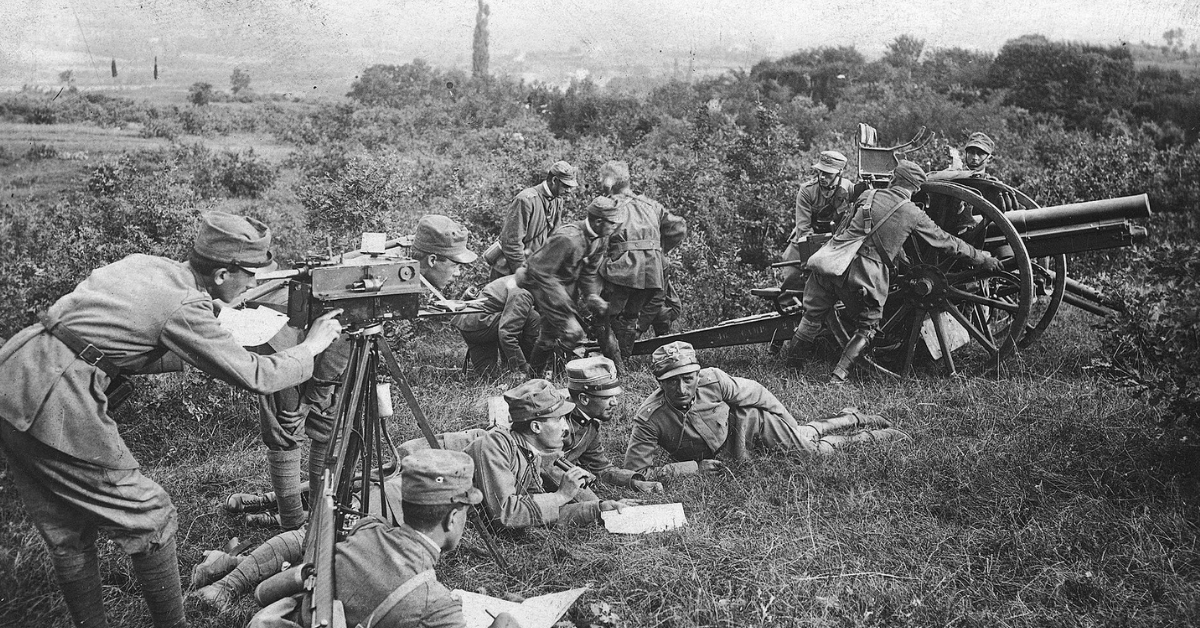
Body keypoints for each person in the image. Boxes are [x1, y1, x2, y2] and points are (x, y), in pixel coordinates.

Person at [0, 212, 344, 628]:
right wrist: (311, 346)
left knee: (66, 531)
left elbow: (119, 332)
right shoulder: (185, 304)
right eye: (250, 275)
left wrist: (207, 332)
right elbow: (258, 377)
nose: (253, 285)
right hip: (54, 394)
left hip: (18, 370)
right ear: (221, 274)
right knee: (153, 514)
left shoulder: (150, 264)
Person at [227, 215, 479, 529]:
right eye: (455, 265)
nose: (457, 272)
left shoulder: (403, 268)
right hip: (282, 338)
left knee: (327, 427)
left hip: (315, 340)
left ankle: (317, 518)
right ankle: (293, 523)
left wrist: (441, 303)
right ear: (431, 259)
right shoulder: (382, 274)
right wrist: (315, 397)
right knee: (288, 429)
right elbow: (342, 339)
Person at [241, 449, 518, 628]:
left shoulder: (367, 529)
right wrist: (504, 621)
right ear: (453, 518)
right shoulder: (434, 604)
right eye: (466, 514)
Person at [783, 160, 1002, 383]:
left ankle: (791, 370)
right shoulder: (912, 213)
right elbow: (946, 241)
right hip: (864, 275)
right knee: (868, 326)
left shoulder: (867, 196)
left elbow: (842, 227)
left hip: (830, 264)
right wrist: (982, 258)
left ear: (893, 180)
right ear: (916, 189)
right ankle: (837, 378)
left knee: (811, 316)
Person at [622, 341, 906, 481]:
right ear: (659, 383)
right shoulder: (649, 419)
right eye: (671, 381)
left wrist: (788, 423)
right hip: (730, 452)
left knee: (812, 453)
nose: (682, 388)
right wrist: (692, 468)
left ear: (698, 374)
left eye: (688, 378)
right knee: (800, 440)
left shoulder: (714, 380)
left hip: (750, 423)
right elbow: (636, 472)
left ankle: (867, 432)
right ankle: (846, 416)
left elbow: (758, 393)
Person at [466, 378, 637, 532]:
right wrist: (561, 495)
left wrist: (597, 509)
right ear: (536, 427)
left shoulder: (529, 454)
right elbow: (505, 514)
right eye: (559, 419)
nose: (566, 427)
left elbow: (538, 512)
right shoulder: (496, 445)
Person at [519, 196, 627, 375]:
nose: (614, 228)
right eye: (612, 223)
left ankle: (535, 376)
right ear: (599, 221)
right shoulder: (568, 238)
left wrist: (591, 295)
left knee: (547, 337)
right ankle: (560, 373)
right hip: (545, 286)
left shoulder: (600, 238)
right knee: (573, 332)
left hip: (564, 287)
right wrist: (563, 301)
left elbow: (588, 272)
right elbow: (538, 270)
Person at [594, 161, 686, 366]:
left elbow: (597, 242)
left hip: (622, 269)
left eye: (602, 179)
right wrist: (657, 251)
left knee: (605, 316)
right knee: (629, 316)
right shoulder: (651, 205)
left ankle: (613, 364)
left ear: (609, 183)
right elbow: (679, 227)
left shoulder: (608, 206)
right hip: (651, 270)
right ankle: (623, 361)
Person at [562, 356, 663, 493]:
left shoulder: (590, 424)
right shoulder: (554, 422)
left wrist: (635, 483)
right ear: (584, 399)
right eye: (606, 397)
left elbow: (600, 468)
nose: (614, 402)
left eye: (615, 396)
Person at [777, 150, 853, 292]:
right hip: (807, 239)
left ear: (839, 173)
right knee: (791, 275)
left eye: (828, 174)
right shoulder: (807, 191)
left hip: (836, 242)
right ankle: (789, 307)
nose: (822, 177)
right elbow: (803, 228)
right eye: (821, 172)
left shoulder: (849, 189)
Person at [490, 161, 578, 279]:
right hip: (509, 271)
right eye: (566, 186)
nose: (569, 191)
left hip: (533, 269)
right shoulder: (525, 200)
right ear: (554, 181)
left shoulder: (557, 200)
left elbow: (553, 236)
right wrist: (523, 273)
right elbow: (511, 242)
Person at [451, 274, 541, 377]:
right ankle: (523, 367)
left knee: (488, 377)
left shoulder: (518, 278)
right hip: (480, 325)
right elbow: (507, 334)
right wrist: (522, 368)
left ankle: (507, 365)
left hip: (469, 324)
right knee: (531, 317)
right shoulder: (523, 292)